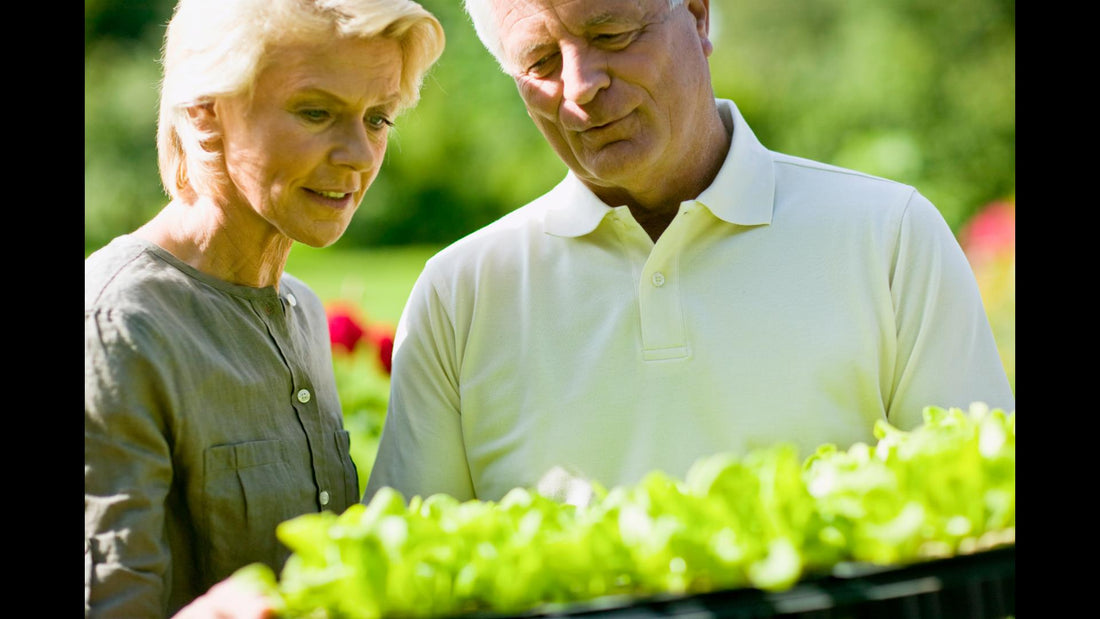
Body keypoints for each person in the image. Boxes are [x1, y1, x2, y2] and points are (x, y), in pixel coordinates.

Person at [364, 0, 1015, 504]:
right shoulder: (462, 292)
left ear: (698, 16)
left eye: (612, 34)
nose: (580, 85)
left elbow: (977, 519)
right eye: (539, 62)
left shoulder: (890, 236)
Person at [84, 0, 444, 616]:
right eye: (316, 112)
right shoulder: (116, 326)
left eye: (379, 118)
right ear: (204, 115)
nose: (359, 153)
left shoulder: (299, 310)